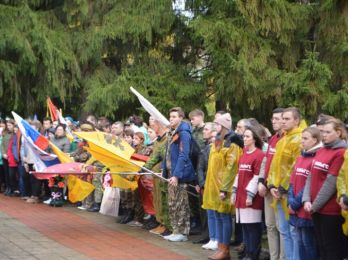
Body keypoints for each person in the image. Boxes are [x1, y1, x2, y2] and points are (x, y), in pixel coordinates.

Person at [303, 118, 348, 259]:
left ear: (339, 133)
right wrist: (306, 199)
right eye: (322, 132)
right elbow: (310, 176)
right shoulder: (322, 149)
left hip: (330, 212)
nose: (324, 135)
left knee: (332, 250)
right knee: (321, 247)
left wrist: (314, 206)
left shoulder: (341, 153)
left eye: (328, 132)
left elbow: (331, 183)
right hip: (315, 208)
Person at [202, 113, 243, 259]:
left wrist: (225, 188)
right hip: (213, 186)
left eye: (217, 124)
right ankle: (220, 247)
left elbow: (231, 168)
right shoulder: (218, 141)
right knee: (218, 216)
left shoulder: (232, 143)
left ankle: (225, 249)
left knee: (225, 217)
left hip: (223, 187)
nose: (215, 126)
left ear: (224, 126)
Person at [267, 107, 305, 260]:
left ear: (297, 120)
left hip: (290, 192)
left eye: (287, 119)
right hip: (278, 192)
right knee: (283, 230)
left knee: (293, 232)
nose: (283, 121)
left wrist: (283, 187)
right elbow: (274, 166)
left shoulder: (300, 139)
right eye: (282, 118)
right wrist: (271, 185)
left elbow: (295, 167)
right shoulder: (282, 140)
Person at [162, 107, 196, 242]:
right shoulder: (171, 132)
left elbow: (184, 155)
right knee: (172, 203)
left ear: (181, 118)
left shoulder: (184, 133)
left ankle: (182, 232)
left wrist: (176, 175)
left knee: (181, 204)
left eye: (174, 116)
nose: (171, 119)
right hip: (171, 173)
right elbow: (168, 154)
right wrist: (166, 170)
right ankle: (175, 229)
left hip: (180, 175)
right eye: (170, 117)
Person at [287, 127, 321, 260]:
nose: (302, 141)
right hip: (295, 206)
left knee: (308, 244)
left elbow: (310, 185)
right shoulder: (301, 157)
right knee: (299, 242)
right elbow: (292, 181)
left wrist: (295, 203)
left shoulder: (315, 159)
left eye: (305, 138)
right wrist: (290, 199)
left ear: (315, 140)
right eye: (302, 138)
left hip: (304, 208)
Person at [232, 126, 264, 260]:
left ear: (254, 139)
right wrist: (234, 191)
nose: (244, 139)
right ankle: (247, 252)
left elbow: (257, 176)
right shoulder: (244, 153)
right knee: (244, 226)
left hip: (251, 198)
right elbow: (239, 174)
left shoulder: (259, 155)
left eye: (247, 136)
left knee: (253, 227)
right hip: (240, 196)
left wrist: (250, 195)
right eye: (243, 136)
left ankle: (253, 254)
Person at [258, 108, 284, 260]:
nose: (273, 121)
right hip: (268, 188)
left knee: (282, 228)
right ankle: (274, 257)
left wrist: (275, 186)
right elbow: (266, 161)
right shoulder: (273, 139)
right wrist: (262, 181)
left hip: (279, 190)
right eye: (272, 118)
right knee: (270, 226)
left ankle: (282, 257)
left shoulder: (288, 140)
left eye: (277, 118)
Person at [196, 122, 216, 247]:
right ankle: (209, 236)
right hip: (204, 183)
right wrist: (201, 183)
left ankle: (214, 237)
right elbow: (200, 167)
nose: (204, 131)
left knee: (213, 213)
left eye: (206, 129)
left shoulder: (214, 148)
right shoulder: (205, 146)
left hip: (213, 184)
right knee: (206, 212)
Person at [1, 119, 14, 195]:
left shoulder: (14, 134)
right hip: (5, 156)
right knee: (6, 173)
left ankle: (12, 188)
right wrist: (3, 153)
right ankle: (8, 188)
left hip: (11, 157)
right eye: (7, 125)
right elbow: (2, 144)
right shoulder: (5, 133)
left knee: (11, 174)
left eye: (10, 125)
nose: (8, 127)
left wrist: (8, 155)